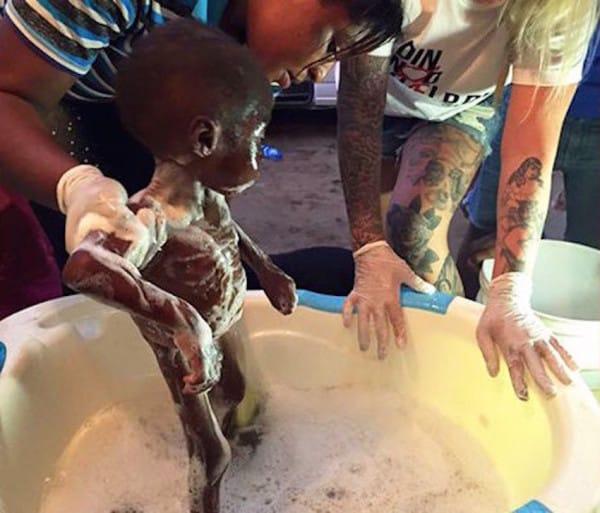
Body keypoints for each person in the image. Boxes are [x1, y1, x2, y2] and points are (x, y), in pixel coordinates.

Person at [63, 20, 297, 511]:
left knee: (244, 395)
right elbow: (84, 268)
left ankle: (254, 458)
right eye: (255, 141)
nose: (259, 159)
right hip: (187, 357)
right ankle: (204, 501)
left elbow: (225, 230)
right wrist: (183, 321)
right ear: (205, 138)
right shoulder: (150, 217)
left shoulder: (205, 191)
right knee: (211, 452)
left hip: (223, 322)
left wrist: (267, 268)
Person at [0, 0, 404, 279]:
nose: (319, 73)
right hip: (37, 98)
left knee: (171, 260)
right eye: (331, 44)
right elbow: (8, 95)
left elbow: (212, 179)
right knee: (87, 261)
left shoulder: (260, 55)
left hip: (127, 99)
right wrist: (76, 187)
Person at [337, 0, 596, 400]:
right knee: (382, 251)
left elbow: (529, 150)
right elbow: (358, 117)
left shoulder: (563, 8)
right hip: (378, 96)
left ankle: (453, 372)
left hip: (463, 106)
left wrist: (510, 290)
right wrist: (367, 246)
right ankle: (398, 364)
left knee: (414, 227)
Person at [459, 32, 600, 297]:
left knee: (589, 256)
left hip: (592, 118)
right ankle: (464, 315)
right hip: (525, 96)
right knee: (488, 239)